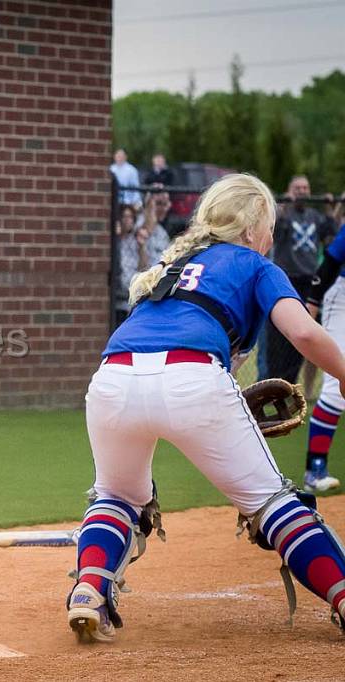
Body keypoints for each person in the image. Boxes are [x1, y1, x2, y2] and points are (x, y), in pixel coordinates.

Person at [68, 174, 345, 644]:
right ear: (254, 228)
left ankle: (89, 590)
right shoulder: (256, 265)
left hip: (112, 380)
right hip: (192, 377)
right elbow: (304, 334)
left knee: (116, 497)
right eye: (271, 227)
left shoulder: (171, 262)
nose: (272, 238)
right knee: (274, 502)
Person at [264, 175, 337, 382]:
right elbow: (275, 232)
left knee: (301, 337)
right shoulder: (285, 215)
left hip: (308, 282)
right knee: (278, 337)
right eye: (297, 188)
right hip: (286, 279)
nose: (302, 191)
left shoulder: (315, 216)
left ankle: (291, 384)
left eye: (305, 188)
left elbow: (331, 238)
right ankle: (274, 382)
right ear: (289, 190)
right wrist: (284, 205)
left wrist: (331, 209)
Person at [297, 203, 345, 493]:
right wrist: (311, 306)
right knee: (335, 387)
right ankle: (315, 469)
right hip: (342, 301)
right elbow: (328, 264)